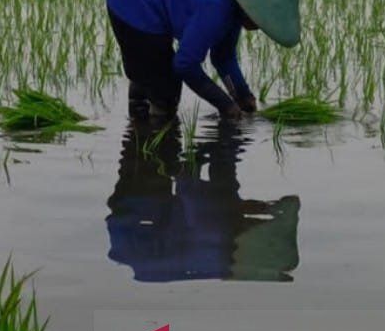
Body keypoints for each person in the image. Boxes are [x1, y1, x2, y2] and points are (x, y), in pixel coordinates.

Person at [105, 0, 300, 120]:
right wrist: (225, 105)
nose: (260, 26)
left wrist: (242, 96)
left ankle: (141, 129)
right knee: (166, 91)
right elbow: (185, 64)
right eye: (262, 18)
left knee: (154, 71)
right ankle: (151, 138)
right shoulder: (215, 5)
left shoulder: (232, 3)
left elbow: (223, 57)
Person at [106, 120, 301, 282]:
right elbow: (188, 187)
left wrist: (195, 159)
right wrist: (194, 159)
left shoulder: (205, 229)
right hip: (208, 249)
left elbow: (190, 187)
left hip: (149, 230)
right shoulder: (208, 229)